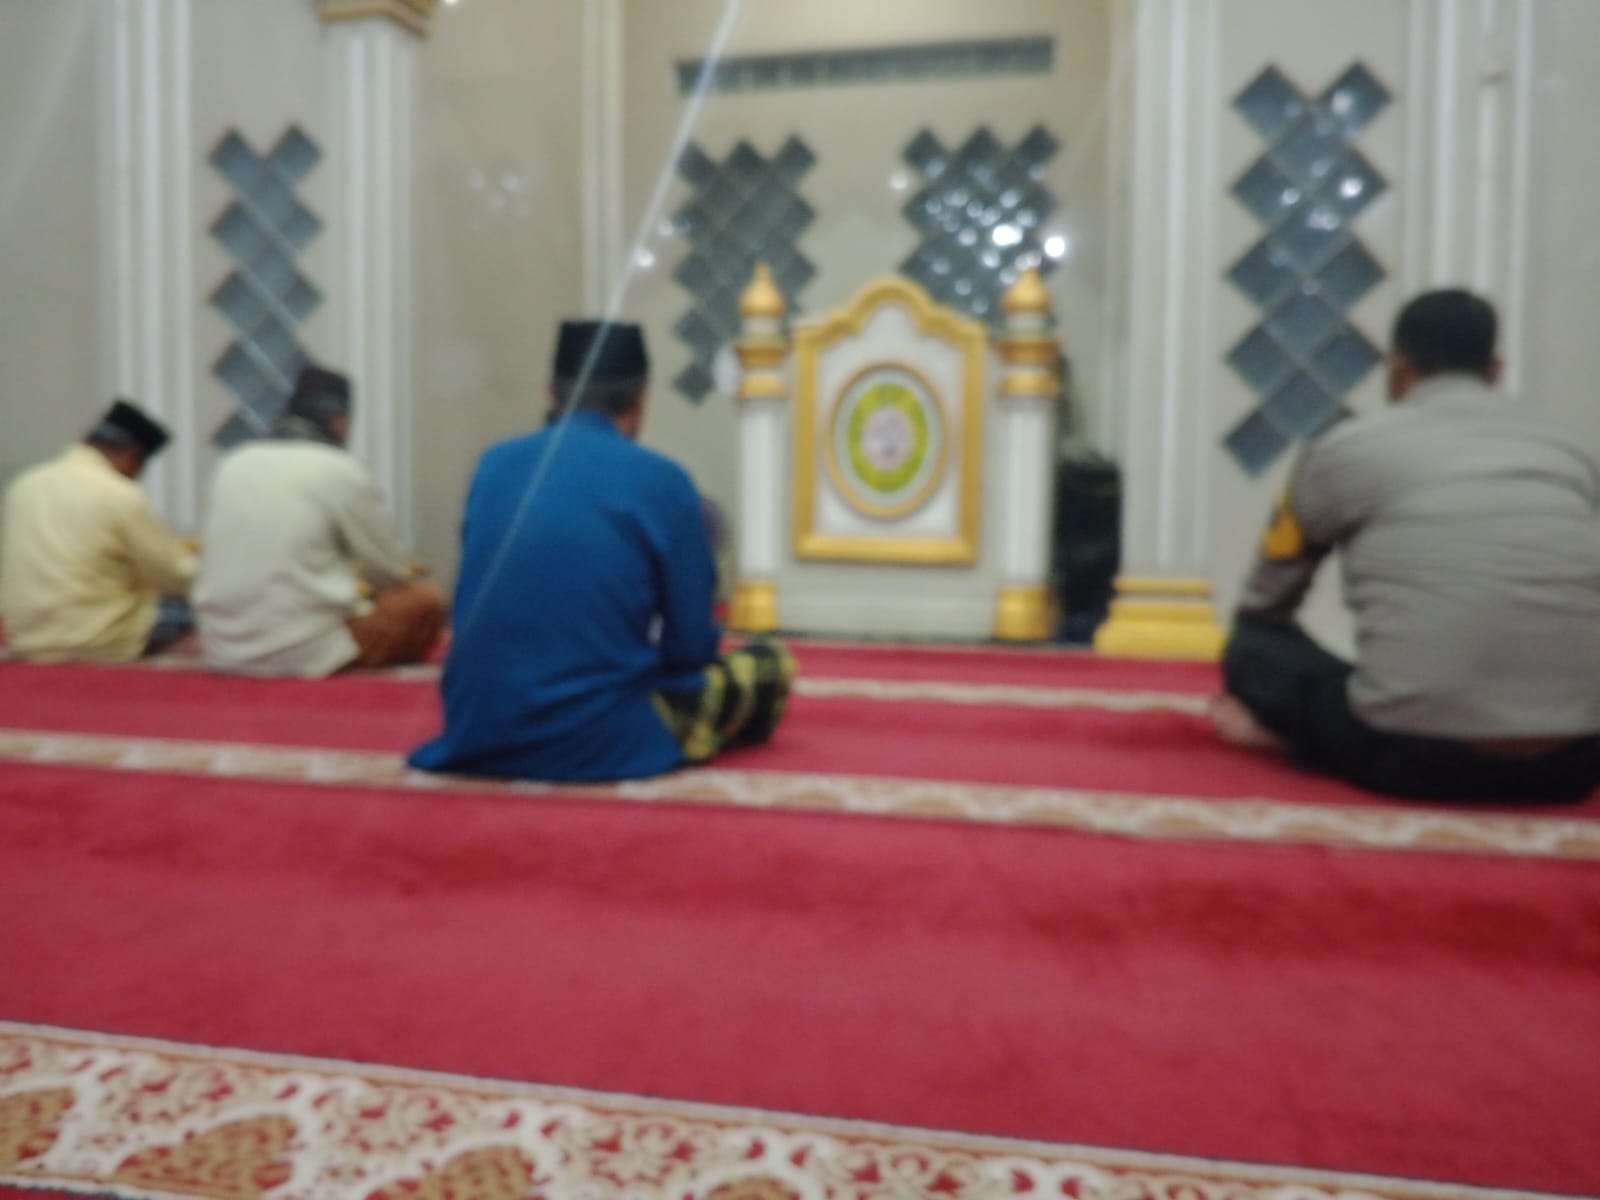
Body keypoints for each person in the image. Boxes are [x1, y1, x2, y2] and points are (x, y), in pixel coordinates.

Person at [1212, 289, 1600, 803]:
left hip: (1417, 757)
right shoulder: (1572, 453)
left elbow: (1266, 604)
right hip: (1574, 764)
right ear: (1495, 370)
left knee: (1254, 648)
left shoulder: (1343, 448)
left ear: (1397, 369)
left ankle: (1293, 737)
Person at [409, 319, 795, 782]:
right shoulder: (663, 479)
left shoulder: (493, 464)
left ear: (551, 392)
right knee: (770, 666)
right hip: (601, 741)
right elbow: (690, 647)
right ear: (642, 397)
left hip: (476, 729)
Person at [193, 364, 445, 676]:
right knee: (425, 599)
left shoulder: (233, 463)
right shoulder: (339, 469)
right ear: (339, 422)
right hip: (303, 652)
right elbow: (390, 572)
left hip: (222, 649)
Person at [0, 399, 197, 662]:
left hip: (27, 638)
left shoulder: (25, 486)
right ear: (132, 455)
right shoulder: (120, 494)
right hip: (98, 639)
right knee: (200, 606)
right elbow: (175, 575)